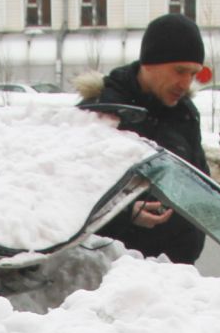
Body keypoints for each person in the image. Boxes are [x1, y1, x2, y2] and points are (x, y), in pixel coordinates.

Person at [76, 13, 210, 265]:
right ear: (149, 63)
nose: (186, 82)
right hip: (113, 273)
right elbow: (75, 198)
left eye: (193, 74)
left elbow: (201, 186)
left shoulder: (185, 115)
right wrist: (127, 215)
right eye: (179, 71)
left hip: (177, 274)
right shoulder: (102, 110)